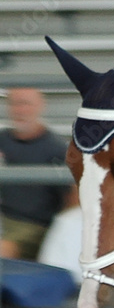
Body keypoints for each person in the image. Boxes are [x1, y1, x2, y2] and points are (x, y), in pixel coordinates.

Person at [0, 89, 75, 262]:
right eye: (15, 104)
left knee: (4, 250)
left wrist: (58, 235)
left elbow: (72, 198)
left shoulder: (56, 148)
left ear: (40, 107)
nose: (20, 110)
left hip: (35, 226)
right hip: (4, 219)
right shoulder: (3, 140)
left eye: (26, 103)